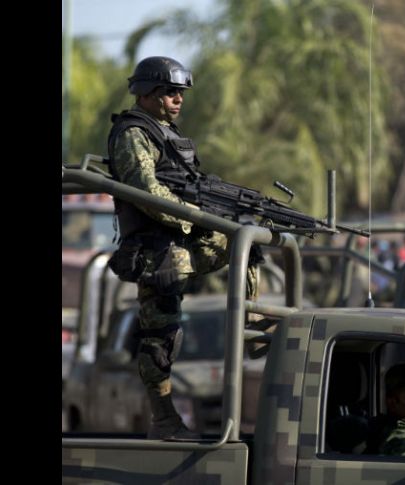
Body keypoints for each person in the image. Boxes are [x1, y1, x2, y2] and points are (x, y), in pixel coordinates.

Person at [106, 56, 263, 440]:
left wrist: (224, 208)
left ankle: (254, 321)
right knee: (161, 338)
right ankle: (164, 420)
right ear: (147, 93)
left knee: (247, 238)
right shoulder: (133, 132)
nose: (178, 99)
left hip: (180, 240)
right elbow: (146, 190)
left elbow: (184, 184)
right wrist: (198, 216)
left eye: (180, 93)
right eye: (171, 92)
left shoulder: (166, 133)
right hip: (155, 249)